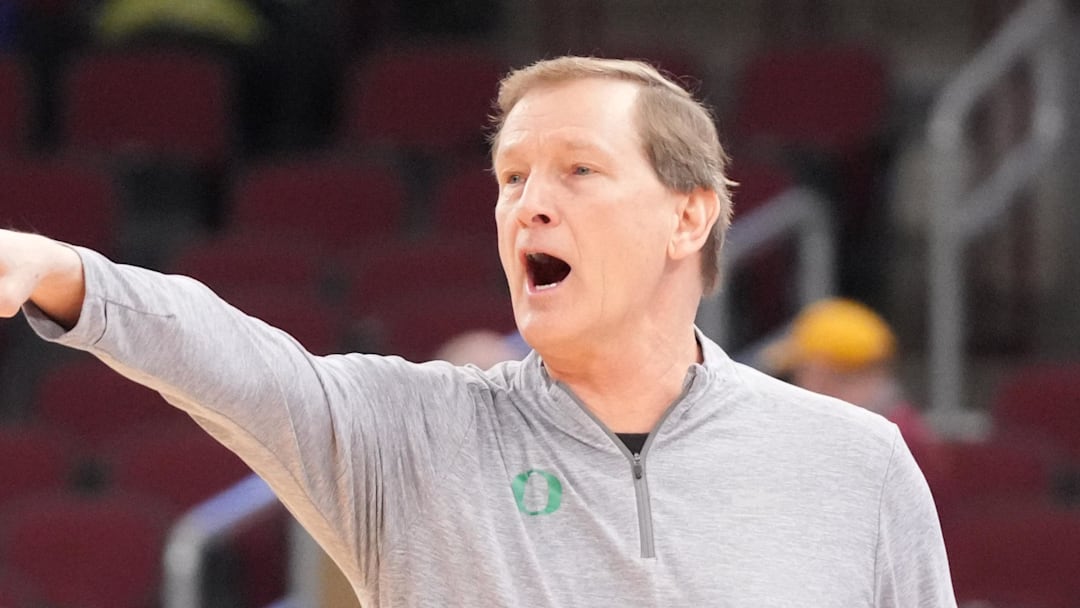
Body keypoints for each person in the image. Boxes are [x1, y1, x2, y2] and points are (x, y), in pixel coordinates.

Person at [0, 56, 955, 606]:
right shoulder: (408, 434)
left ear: (688, 217)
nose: (528, 204)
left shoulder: (856, 463)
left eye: (578, 170)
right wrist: (61, 270)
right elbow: (232, 357)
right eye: (511, 177)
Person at [763, 297, 937, 447]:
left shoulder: (888, 442)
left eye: (802, 371)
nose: (796, 384)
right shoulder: (904, 430)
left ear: (826, 375)